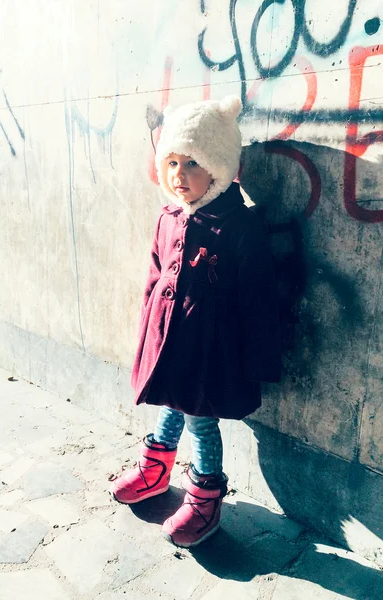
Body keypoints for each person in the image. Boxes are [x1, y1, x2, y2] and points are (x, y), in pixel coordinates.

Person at [111, 95, 281, 548]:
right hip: (171, 342)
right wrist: (148, 334)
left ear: (220, 168)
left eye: (192, 164)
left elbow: (258, 298)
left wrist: (260, 362)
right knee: (172, 399)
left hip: (211, 349)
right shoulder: (168, 217)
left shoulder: (238, 226)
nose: (179, 176)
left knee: (200, 419)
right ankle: (156, 466)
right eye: (171, 163)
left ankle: (206, 494)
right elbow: (154, 276)